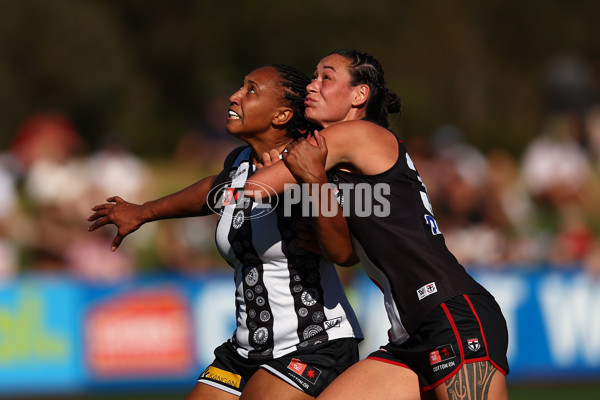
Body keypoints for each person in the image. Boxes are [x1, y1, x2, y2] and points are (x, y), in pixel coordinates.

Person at [87, 64, 363, 400]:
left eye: (250, 91)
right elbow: (214, 191)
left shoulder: (308, 161)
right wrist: (144, 212)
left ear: (281, 115)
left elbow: (345, 251)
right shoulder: (239, 163)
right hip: (245, 352)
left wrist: (312, 195)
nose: (234, 97)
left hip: (314, 345)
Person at [247, 49, 510, 400]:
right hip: (409, 334)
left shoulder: (355, 134)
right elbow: (344, 255)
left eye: (326, 77)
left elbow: (255, 188)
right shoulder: (342, 165)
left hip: (450, 316)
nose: (312, 85)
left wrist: (263, 141)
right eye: (314, 76)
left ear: (360, 95)